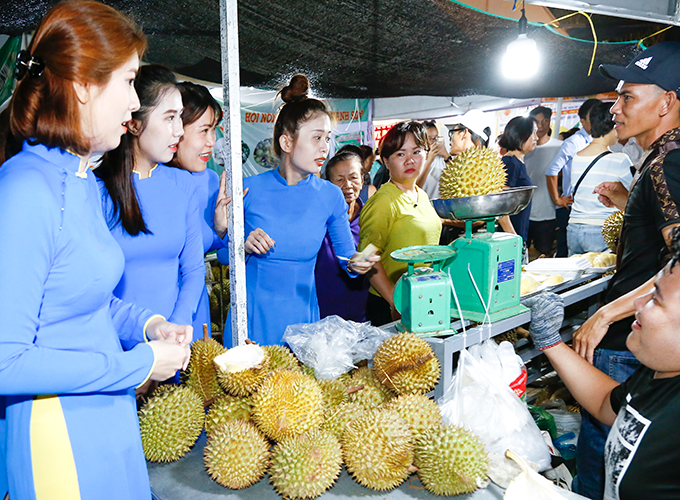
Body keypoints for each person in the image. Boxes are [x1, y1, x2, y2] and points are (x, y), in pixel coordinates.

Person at [0, 2, 191, 499]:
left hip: (108, 420)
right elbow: (6, 361)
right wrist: (138, 365)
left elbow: (76, 298)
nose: (133, 104)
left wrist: (145, 324)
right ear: (84, 85)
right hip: (57, 433)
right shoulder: (26, 190)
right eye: (128, 82)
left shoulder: (83, 180)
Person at [570, 42, 680, 500]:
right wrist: (626, 202)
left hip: (630, 340)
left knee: (604, 473)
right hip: (633, 337)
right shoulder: (657, 160)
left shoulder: (669, 164)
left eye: (628, 97)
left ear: (666, 103)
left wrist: (607, 313)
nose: (615, 108)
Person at [526, 227, 680, 500]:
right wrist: (551, 343)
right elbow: (605, 403)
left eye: (656, 299)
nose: (638, 303)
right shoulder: (658, 374)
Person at [222, 74, 376, 347]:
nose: (325, 148)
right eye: (316, 137)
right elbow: (222, 254)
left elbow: (347, 259)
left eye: (327, 138)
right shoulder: (247, 190)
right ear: (287, 143)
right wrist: (242, 245)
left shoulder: (330, 195)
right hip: (251, 323)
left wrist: (358, 262)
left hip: (303, 327)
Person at [96, 65, 206, 342]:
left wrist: (176, 329)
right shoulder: (95, 191)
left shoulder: (184, 185)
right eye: (169, 118)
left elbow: (193, 269)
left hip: (174, 346)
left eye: (180, 117)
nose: (180, 131)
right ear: (133, 123)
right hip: (112, 348)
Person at [358, 121, 442, 326]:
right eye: (400, 154)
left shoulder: (421, 195)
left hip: (423, 297)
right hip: (389, 305)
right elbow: (368, 257)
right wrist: (395, 302)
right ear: (386, 161)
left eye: (417, 151)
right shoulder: (383, 201)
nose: (410, 160)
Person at [170, 82, 231, 337]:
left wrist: (221, 229)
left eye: (214, 130)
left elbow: (217, 249)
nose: (212, 141)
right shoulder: (148, 182)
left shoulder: (209, 180)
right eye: (204, 130)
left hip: (196, 312)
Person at [567, 101, 633, 255]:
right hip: (602, 229)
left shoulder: (577, 157)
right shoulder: (620, 159)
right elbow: (633, 196)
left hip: (573, 227)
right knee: (603, 276)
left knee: (579, 278)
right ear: (613, 126)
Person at [315, 151, 370, 322]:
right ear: (328, 184)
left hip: (363, 317)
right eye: (339, 180)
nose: (347, 185)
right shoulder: (318, 221)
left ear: (362, 179)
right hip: (322, 318)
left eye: (353, 177)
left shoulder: (370, 218)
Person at [546, 99, 602, 256]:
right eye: (593, 117)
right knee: (566, 252)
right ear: (582, 121)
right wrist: (558, 199)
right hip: (570, 208)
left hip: (591, 208)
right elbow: (552, 171)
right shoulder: (574, 142)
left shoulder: (599, 141)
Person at [525, 106, 563, 256]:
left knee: (546, 253)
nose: (540, 126)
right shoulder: (525, 148)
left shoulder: (560, 147)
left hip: (548, 212)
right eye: (536, 122)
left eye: (544, 121)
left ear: (549, 122)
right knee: (523, 254)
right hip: (526, 211)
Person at [498, 116, 538, 255]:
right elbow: (501, 207)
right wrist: (515, 239)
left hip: (516, 236)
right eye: (533, 133)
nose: (536, 138)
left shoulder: (517, 162)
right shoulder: (510, 163)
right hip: (509, 239)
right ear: (520, 135)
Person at [416, 120, 449, 200]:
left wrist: (446, 156)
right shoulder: (416, 159)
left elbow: (457, 177)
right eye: (430, 139)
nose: (434, 142)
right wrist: (429, 160)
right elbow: (416, 188)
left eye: (436, 138)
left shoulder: (442, 158)